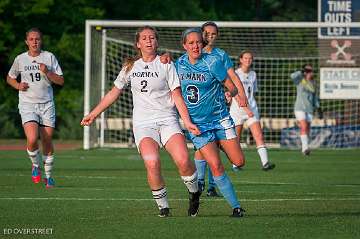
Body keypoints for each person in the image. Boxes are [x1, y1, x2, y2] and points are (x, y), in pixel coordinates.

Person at [81, 26, 201, 217]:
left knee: (184, 160)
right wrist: (93, 113)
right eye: (144, 38)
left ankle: (195, 193)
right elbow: (113, 93)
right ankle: (164, 207)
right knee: (152, 162)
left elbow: (177, 96)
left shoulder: (166, 64)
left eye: (152, 37)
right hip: (143, 124)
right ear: (138, 43)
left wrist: (187, 121)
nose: (148, 40)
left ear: (157, 42)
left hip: (168, 119)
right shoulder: (130, 67)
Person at [175, 27, 246, 217]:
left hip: (220, 119)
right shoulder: (178, 64)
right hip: (198, 125)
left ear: (203, 43)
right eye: (191, 43)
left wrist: (228, 93)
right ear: (184, 46)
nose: (195, 46)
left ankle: (217, 144)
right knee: (215, 165)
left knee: (239, 161)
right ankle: (236, 207)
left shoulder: (213, 62)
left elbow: (232, 88)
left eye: (198, 42)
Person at [194, 21, 251, 197]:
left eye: (213, 34)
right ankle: (201, 181)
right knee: (204, 145)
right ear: (201, 34)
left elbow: (232, 77)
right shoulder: (194, 52)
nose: (209, 37)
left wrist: (240, 96)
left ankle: (210, 185)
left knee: (215, 145)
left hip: (218, 107)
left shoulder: (220, 55)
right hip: (199, 109)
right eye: (206, 33)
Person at [7, 28, 64, 188]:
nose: (34, 42)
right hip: (28, 104)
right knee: (32, 139)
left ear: (41, 40)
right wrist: (18, 85)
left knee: (46, 140)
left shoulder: (49, 57)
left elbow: (60, 81)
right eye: (31, 39)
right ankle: (35, 165)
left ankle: (48, 176)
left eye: (37, 39)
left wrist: (47, 73)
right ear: (27, 42)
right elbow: (9, 77)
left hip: (47, 104)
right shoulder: (20, 59)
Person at [227, 50, 275, 171]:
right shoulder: (235, 73)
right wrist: (229, 95)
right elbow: (233, 93)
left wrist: (250, 108)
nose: (248, 60)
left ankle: (265, 163)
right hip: (237, 110)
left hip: (252, 109)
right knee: (236, 138)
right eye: (246, 58)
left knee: (258, 135)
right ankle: (235, 164)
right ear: (241, 60)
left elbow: (252, 92)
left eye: (250, 58)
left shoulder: (253, 74)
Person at [291, 64, 320, 155]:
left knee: (307, 129)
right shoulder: (300, 80)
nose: (310, 72)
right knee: (303, 126)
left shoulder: (313, 83)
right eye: (308, 70)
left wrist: (318, 108)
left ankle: (305, 147)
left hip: (310, 109)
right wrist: (301, 71)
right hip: (299, 108)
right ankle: (305, 148)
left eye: (311, 70)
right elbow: (292, 76)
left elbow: (315, 97)